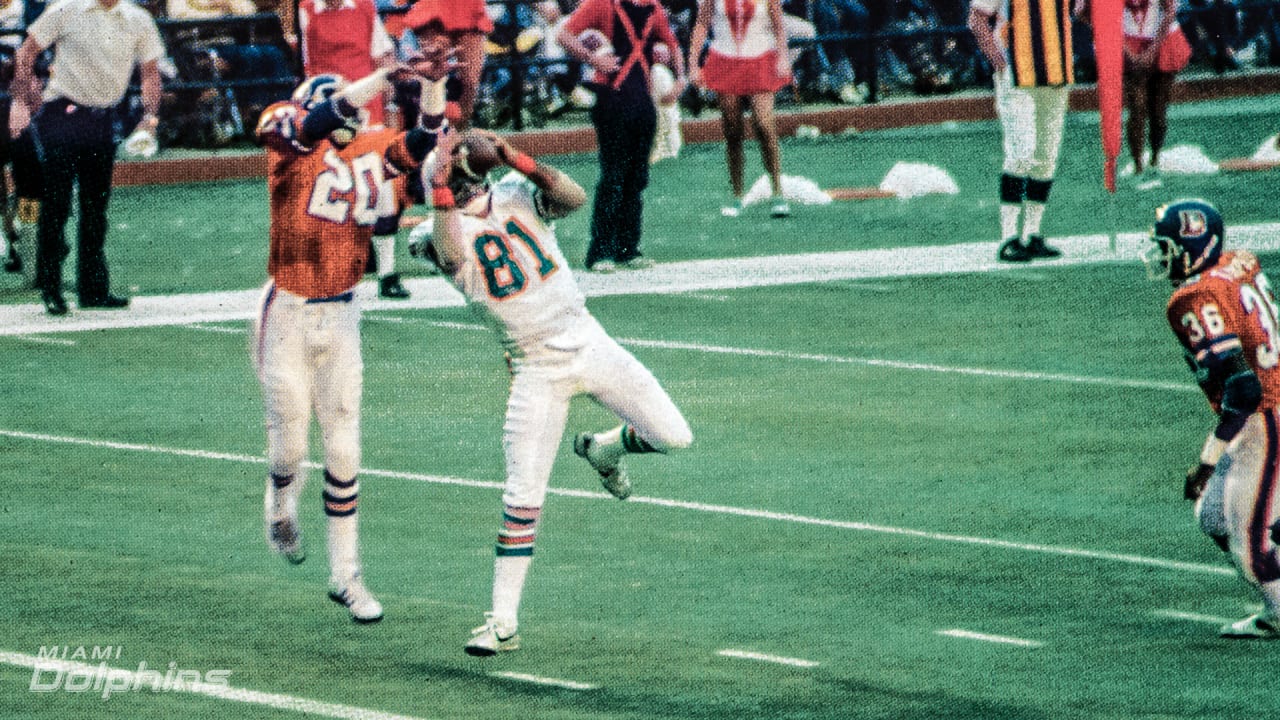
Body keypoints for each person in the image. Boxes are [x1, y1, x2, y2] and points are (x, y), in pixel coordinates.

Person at [422, 129, 693, 655]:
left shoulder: (515, 193)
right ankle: (502, 622)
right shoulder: (430, 231)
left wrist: (516, 158)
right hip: (535, 367)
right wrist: (438, 190)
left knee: (675, 436)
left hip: (589, 341)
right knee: (523, 495)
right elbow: (452, 253)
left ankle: (605, 448)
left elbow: (573, 197)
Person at [253, 64, 449, 622]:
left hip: (342, 311)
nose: (352, 117)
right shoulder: (285, 134)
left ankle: (347, 575)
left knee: (344, 446)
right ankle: (280, 500)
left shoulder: (370, 147)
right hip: (287, 309)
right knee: (290, 444)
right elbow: (315, 121)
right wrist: (385, 74)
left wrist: (431, 84)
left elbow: (425, 138)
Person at [1144, 198, 1280, 639]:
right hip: (1262, 411)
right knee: (1214, 518)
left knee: (1252, 551)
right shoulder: (1236, 263)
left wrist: (1206, 461)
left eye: (1167, 247)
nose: (1162, 257)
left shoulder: (1193, 298)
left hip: (1264, 417)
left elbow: (1244, 390)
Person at [7, 0, 164, 315]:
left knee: (96, 206)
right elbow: (26, 52)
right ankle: (51, 285)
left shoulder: (137, 19)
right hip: (62, 113)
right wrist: (23, 99)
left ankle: (93, 288)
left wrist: (150, 117)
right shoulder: (66, 10)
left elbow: (149, 72)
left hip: (102, 118)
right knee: (57, 203)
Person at [295, 0, 414, 299]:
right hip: (328, 111)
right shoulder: (306, 10)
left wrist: (389, 102)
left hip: (367, 107)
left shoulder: (363, 7)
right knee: (327, 190)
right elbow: (305, 66)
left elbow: (384, 54)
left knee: (383, 188)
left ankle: (387, 273)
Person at [558, 0, 686, 273]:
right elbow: (564, 34)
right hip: (611, 97)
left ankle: (628, 248)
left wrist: (680, 80)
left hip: (642, 99)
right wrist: (593, 60)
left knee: (637, 177)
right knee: (614, 175)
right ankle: (601, 251)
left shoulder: (653, 8)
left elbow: (673, 45)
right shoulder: (602, 4)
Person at [968, 0, 1081, 263]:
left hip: (1055, 70)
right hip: (1017, 71)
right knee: (1021, 151)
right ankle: (1008, 236)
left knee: (1047, 154)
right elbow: (976, 18)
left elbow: (1078, 11)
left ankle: (1032, 232)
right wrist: (999, 62)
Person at [688, 0, 793, 219]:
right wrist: (693, 63)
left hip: (760, 58)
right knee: (732, 129)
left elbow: (778, 24)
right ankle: (737, 194)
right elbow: (701, 24)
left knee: (764, 125)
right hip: (725, 59)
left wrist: (783, 56)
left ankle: (777, 191)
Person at [403, 0, 491, 127]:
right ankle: (426, 137)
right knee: (430, 75)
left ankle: (457, 134)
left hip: (469, 6)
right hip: (434, 7)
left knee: (471, 82)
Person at [1122, 0, 1178, 176]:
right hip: (1128, 40)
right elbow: (1092, 16)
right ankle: (1137, 162)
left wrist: (1152, 50)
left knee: (1158, 110)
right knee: (1137, 108)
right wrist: (1127, 50)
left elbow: (1170, 11)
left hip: (1162, 40)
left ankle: (1155, 157)